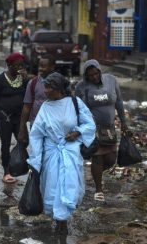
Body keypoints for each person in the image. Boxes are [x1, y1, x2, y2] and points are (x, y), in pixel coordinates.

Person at [28, 72, 96, 233]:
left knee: (69, 186)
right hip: (51, 154)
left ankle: (63, 222)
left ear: (58, 89)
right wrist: (35, 160)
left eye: (49, 87)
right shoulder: (45, 107)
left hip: (70, 152)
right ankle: (59, 222)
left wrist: (77, 132)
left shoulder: (75, 103)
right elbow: (36, 134)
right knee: (52, 188)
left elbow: (90, 124)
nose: (45, 91)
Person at [74, 59, 128, 202]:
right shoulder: (81, 86)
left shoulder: (111, 80)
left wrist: (124, 122)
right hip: (93, 128)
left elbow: (119, 102)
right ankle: (98, 189)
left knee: (111, 158)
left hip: (109, 128)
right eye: (90, 75)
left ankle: (96, 174)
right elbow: (77, 108)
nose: (94, 77)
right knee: (97, 157)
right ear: (86, 76)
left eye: (96, 73)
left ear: (100, 71)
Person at [0, 52, 28, 183]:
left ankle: (16, 163)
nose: (20, 68)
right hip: (3, 117)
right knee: (5, 144)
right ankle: (7, 172)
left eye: (22, 65)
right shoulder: (0, 80)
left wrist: (26, 79)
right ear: (9, 65)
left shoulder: (23, 79)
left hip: (19, 117)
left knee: (23, 141)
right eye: (17, 65)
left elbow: (29, 96)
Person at [18, 57, 55, 143]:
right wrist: (22, 128)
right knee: (36, 152)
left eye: (44, 66)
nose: (40, 69)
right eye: (40, 66)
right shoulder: (32, 83)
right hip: (35, 124)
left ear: (52, 67)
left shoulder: (59, 83)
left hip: (54, 126)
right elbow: (26, 107)